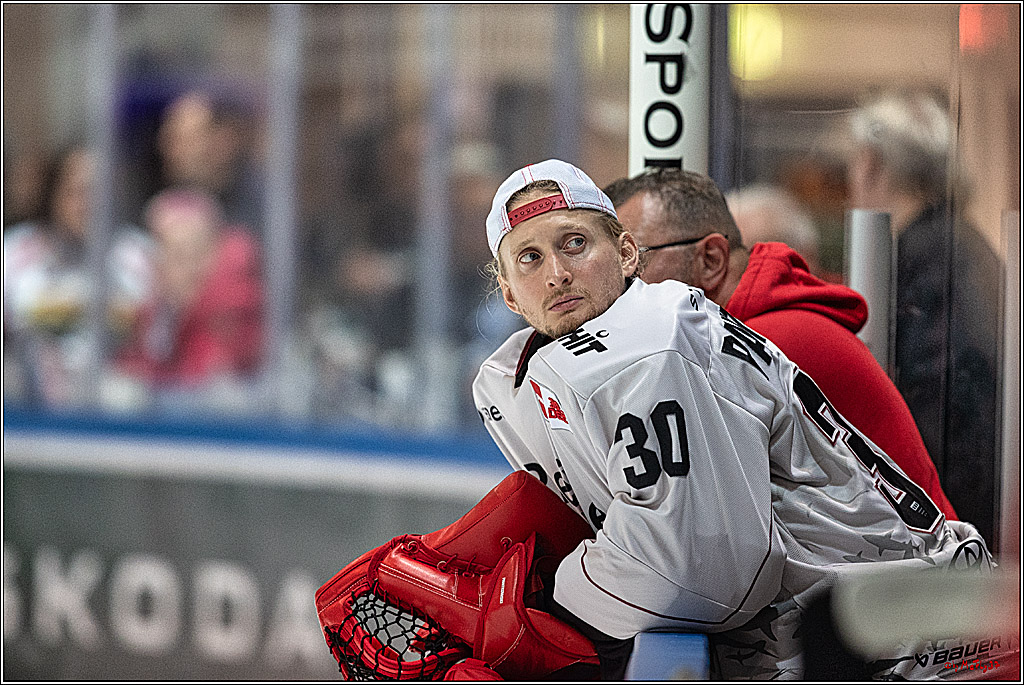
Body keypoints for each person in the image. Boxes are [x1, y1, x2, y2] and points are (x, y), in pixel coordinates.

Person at [471, 159, 996, 680]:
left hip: (914, 647)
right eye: (531, 258)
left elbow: (696, 575)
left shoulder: (653, 346)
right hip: (863, 629)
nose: (558, 273)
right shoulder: (546, 368)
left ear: (626, 252)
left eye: (575, 244)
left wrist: (554, 599)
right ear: (509, 292)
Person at [602, 167, 957, 521]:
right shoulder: (756, 331)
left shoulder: (769, 343)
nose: (617, 282)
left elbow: (683, 521)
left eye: (634, 258)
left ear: (710, 260)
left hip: (908, 575)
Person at [843, 89, 1001, 545]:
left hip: (947, 516)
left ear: (871, 164)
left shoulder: (919, 258)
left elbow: (924, 406)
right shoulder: (961, 244)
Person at [3, 144, 154, 408]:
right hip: (30, 413)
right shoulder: (13, 253)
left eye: (97, 192)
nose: (87, 204)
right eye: (76, 192)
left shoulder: (139, 255)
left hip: (120, 414)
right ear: (53, 193)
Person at [116, 188, 264, 402]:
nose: (191, 268)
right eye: (178, 255)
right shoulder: (148, 317)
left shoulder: (234, 318)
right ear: (157, 263)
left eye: (200, 253)